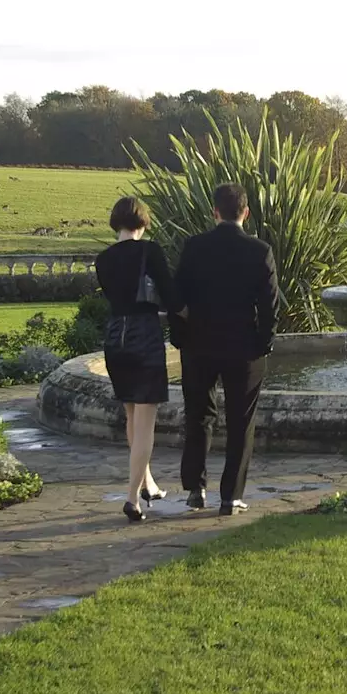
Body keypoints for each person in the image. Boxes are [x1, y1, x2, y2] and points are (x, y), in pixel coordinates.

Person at [172, 182, 280, 515]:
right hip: (243, 348)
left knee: (198, 416)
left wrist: (180, 338)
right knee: (240, 421)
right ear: (245, 212)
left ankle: (195, 488)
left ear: (214, 212)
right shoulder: (259, 251)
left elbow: (176, 299)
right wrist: (263, 343)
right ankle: (230, 496)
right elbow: (270, 306)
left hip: (199, 345)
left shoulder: (194, 247)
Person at [94, 196, 178, 522]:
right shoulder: (150, 251)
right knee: (145, 423)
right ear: (142, 222)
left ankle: (148, 484)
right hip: (144, 335)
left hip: (115, 337)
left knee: (131, 414)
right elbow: (169, 295)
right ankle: (132, 499)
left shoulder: (102, 260)